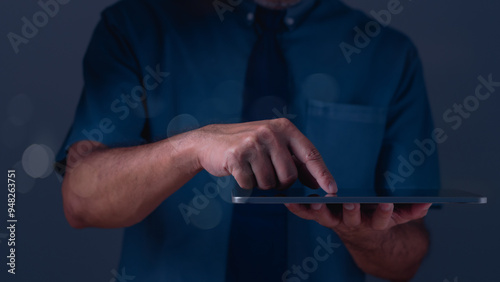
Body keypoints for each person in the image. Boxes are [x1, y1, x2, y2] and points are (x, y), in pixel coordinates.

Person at [56, 0, 440, 281]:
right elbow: (81, 202)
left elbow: (405, 261)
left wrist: (362, 235)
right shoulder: (135, 27)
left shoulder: (388, 54)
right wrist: (192, 146)